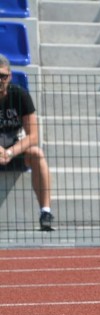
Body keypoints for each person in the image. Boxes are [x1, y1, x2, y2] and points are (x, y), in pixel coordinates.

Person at [0, 55, 54, 231]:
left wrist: (9, 153)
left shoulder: (20, 95)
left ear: (10, 76)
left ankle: (45, 212)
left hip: (12, 152)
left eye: (3, 76)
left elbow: (33, 135)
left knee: (37, 153)